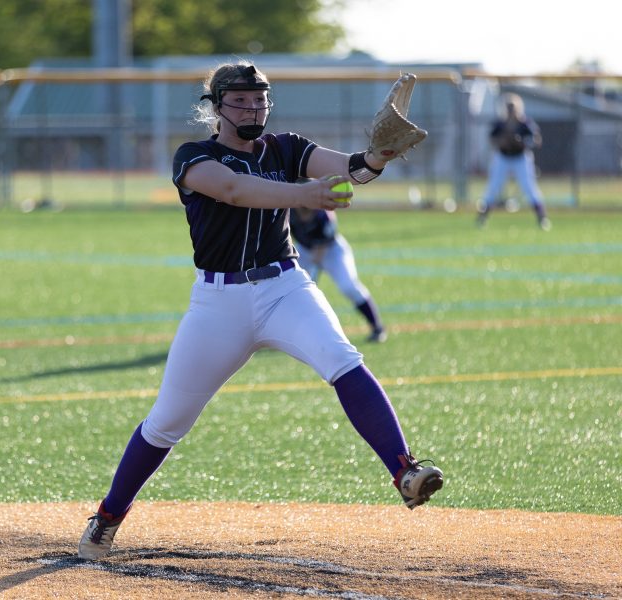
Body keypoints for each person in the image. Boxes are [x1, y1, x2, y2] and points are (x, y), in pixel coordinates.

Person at [78, 63, 443, 560]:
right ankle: (109, 515)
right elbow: (232, 190)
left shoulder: (285, 146)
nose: (254, 108)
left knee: (343, 359)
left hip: (284, 286)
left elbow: (350, 169)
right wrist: (306, 194)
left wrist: (378, 156)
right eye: (241, 100)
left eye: (260, 99)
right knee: (166, 422)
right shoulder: (194, 156)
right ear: (215, 107)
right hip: (218, 302)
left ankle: (404, 470)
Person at [290, 206, 387, 343]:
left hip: (332, 251)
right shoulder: (289, 211)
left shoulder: (323, 216)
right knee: (290, 291)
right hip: (304, 251)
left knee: (349, 286)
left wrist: (310, 281)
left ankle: (377, 327)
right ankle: (290, 336)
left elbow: (319, 253)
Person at [477, 92, 551, 230]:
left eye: (513, 107)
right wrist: (502, 142)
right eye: (508, 107)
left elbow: (536, 140)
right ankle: (482, 217)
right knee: (493, 187)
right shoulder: (500, 124)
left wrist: (522, 142)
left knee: (529, 187)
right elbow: (492, 139)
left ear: (518, 107)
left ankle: (542, 217)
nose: (511, 110)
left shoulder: (525, 124)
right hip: (503, 157)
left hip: (520, 157)